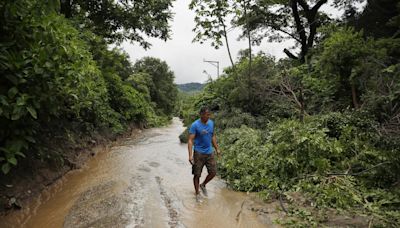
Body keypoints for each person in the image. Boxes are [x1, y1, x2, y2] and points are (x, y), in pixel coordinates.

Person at [188, 106, 220, 202]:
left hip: (209, 152)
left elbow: (212, 136)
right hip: (198, 153)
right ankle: (197, 193)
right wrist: (190, 155)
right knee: (197, 174)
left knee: (213, 172)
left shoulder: (211, 123)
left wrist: (217, 148)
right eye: (207, 115)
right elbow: (190, 140)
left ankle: (203, 185)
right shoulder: (195, 125)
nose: (208, 116)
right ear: (201, 114)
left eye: (209, 114)